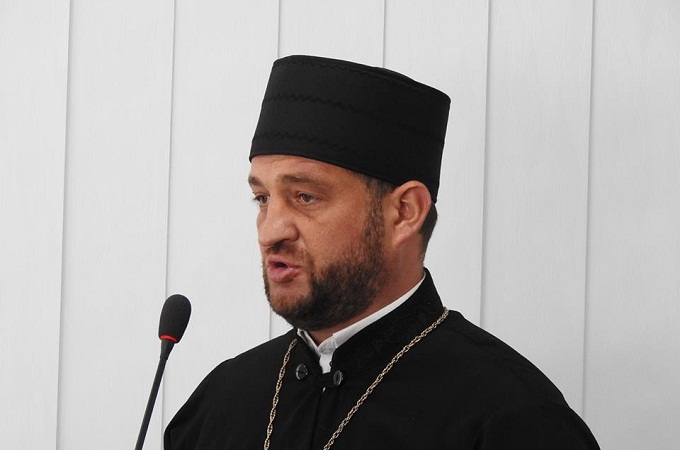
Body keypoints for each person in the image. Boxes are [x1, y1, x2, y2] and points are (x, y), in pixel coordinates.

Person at [164, 55, 600, 450]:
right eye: (262, 199)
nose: (270, 231)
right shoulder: (218, 404)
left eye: (305, 197)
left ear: (404, 213)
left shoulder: (512, 421)